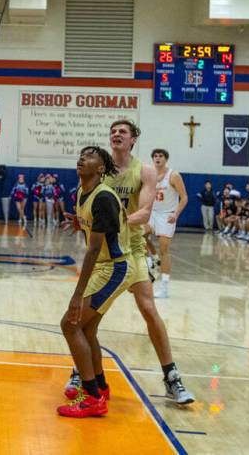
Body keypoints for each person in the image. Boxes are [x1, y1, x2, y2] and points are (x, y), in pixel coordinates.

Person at [65, 120, 194, 405]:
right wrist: (83, 221)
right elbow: (89, 207)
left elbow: (146, 213)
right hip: (105, 253)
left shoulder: (144, 171)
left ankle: (171, 376)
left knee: (148, 309)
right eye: (113, 131)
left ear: (133, 139)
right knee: (88, 321)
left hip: (131, 252)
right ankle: (83, 373)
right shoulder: (96, 169)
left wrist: (112, 221)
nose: (116, 134)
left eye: (123, 131)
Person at [57, 146, 132, 419]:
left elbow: (93, 249)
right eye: (81, 154)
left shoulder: (103, 197)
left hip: (112, 268)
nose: (82, 158)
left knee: (70, 323)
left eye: (89, 156)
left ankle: (92, 398)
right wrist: (81, 225)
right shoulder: (81, 192)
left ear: (100, 168)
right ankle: (99, 386)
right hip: (103, 266)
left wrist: (78, 294)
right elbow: (93, 233)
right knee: (86, 330)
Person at [149, 149, 187, 299]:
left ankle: (164, 287)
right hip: (151, 212)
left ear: (166, 159)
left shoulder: (174, 175)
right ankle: (151, 257)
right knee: (138, 235)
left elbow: (184, 198)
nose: (158, 158)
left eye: (161, 156)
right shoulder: (149, 174)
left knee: (164, 249)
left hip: (167, 215)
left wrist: (176, 214)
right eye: (155, 156)